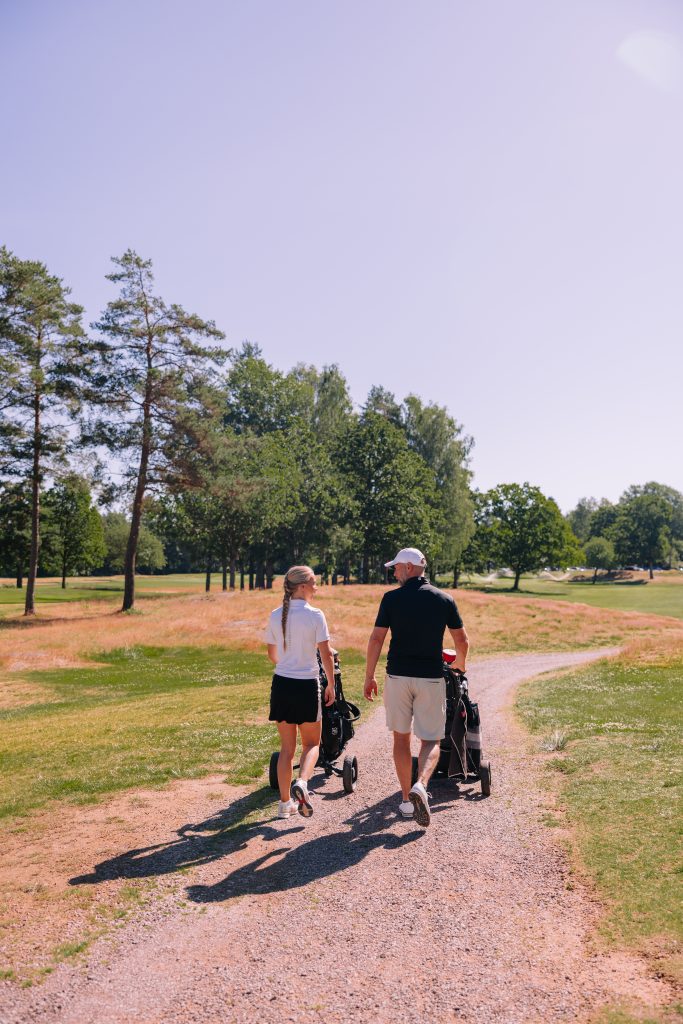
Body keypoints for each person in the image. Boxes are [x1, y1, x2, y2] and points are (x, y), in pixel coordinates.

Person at [364, 547, 469, 827]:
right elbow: (462, 641)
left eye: (396, 568)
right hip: (430, 679)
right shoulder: (444, 599)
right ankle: (421, 785)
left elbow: (376, 640)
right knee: (431, 740)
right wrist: (459, 665)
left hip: (398, 677)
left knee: (401, 739)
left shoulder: (391, 599)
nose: (394, 572)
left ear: (409, 567)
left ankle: (406, 801)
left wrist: (369, 676)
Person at [265, 565, 336, 819]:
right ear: (303, 586)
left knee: (286, 749)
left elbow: (272, 655)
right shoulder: (316, 615)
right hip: (307, 685)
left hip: (282, 684)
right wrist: (331, 683)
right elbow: (326, 654)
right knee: (311, 744)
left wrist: (286, 661)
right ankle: (303, 783)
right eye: (314, 582)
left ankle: (285, 804)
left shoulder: (275, 615)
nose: (317, 587)